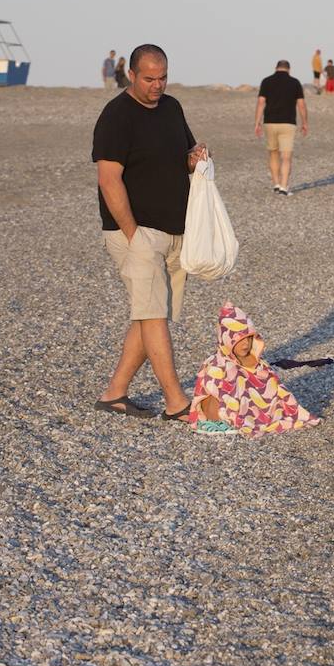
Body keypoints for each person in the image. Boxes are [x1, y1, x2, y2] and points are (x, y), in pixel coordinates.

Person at [91, 44, 208, 420]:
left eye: (163, 78)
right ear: (132, 75)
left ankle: (114, 394)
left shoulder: (172, 108)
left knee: (151, 315)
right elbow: (109, 180)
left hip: (175, 230)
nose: (157, 86)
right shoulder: (116, 116)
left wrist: (194, 160)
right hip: (136, 234)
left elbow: (182, 158)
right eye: (149, 79)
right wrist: (132, 234)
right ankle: (177, 403)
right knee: (153, 315)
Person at [186, 302, 321, 436]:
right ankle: (223, 423)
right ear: (227, 339)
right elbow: (210, 391)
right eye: (239, 339)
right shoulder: (217, 363)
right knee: (231, 372)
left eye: (249, 338)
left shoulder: (258, 363)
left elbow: (275, 390)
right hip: (218, 414)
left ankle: (256, 418)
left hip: (247, 413)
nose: (246, 343)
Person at [254, 59, 308, 195]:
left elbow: (261, 102)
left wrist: (257, 122)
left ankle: (276, 183)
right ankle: (284, 186)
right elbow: (301, 104)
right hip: (288, 123)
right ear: (289, 69)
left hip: (270, 122)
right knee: (286, 156)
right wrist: (305, 122)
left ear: (276, 68)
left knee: (273, 153)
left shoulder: (266, 81)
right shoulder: (294, 82)